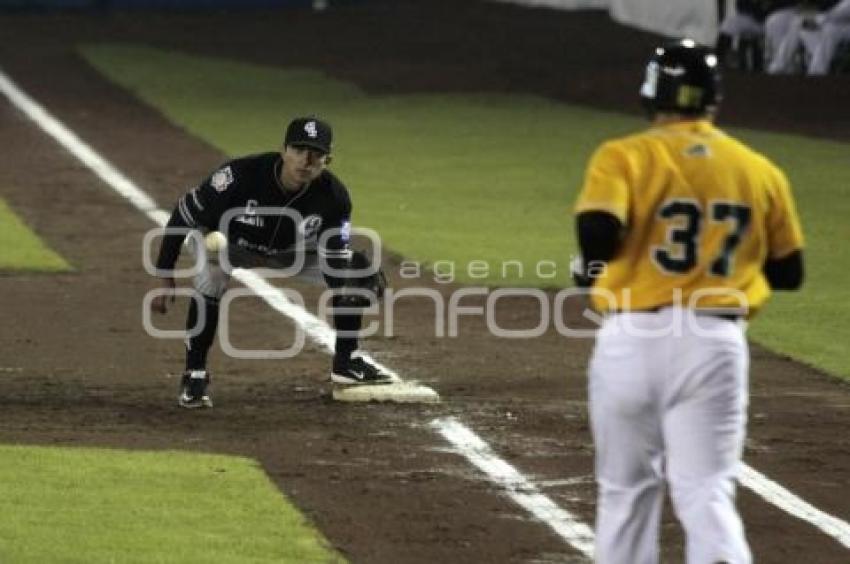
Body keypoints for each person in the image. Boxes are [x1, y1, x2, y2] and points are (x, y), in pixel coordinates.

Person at [572, 39, 805, 563]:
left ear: (652, 94)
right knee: (706, 489)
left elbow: (596, 235)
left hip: (632, 339)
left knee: (626, 492)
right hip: (715, 344)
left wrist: (606, 263)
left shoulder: (624, 155)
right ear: (712, 100)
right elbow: (789, 272)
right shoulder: (758, 169)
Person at [151, 116, 392, 409]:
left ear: (328, 159)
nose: (306, 160)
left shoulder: (334, 198)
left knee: (356, 272)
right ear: (284, 150)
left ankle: (347, 361)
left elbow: (335, 255)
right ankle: (194, 374)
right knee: (211, 278)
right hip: (226, 244)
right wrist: (165, 275)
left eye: (316, 153)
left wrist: (352, 282)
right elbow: (182, 216)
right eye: (299, 149)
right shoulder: (238, 177)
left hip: (289, 252)